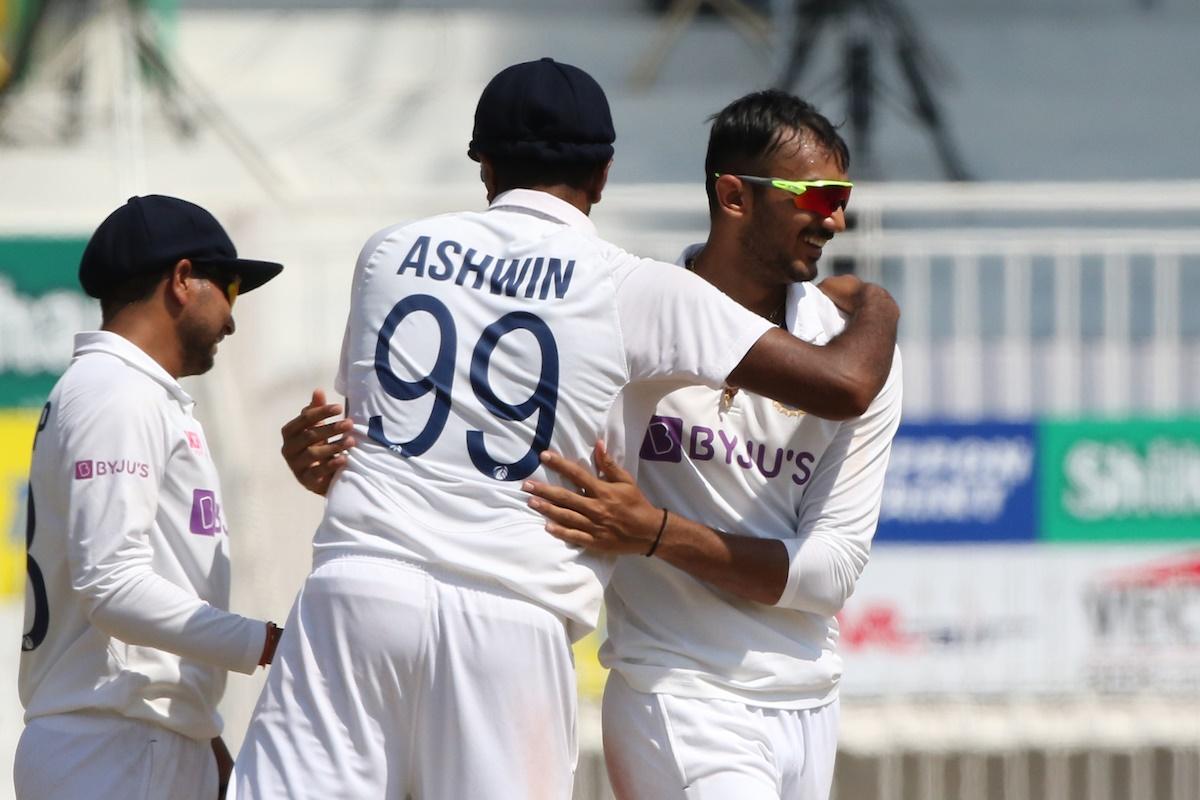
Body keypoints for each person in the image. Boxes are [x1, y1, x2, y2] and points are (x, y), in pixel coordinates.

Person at [237, 59, 897, 800]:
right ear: (605, 175)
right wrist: (877, 303)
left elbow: (359, 442)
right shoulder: (636, 287)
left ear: (483, 165)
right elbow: (845, 384)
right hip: (512, 620)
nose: (833, 215)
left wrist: (317, 460)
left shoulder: (388, 252)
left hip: (359, 591)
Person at [523, 90, 903, 799]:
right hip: (677, 693)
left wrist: (657, 533)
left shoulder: (854, 347)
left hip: (811, 702)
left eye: (841, 197)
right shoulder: (627, 319)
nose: (837, 219)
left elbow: (828, 574)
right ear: (733, 196)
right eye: (816, 198)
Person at [14, 195, 287, 800]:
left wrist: (199, 727)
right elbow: (111, 584)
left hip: (135, 740)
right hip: (110, 749)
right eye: (232, 289)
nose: (233, 320)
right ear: (184, 280)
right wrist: (267, 643)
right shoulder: (117, 391)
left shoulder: (129, 391)